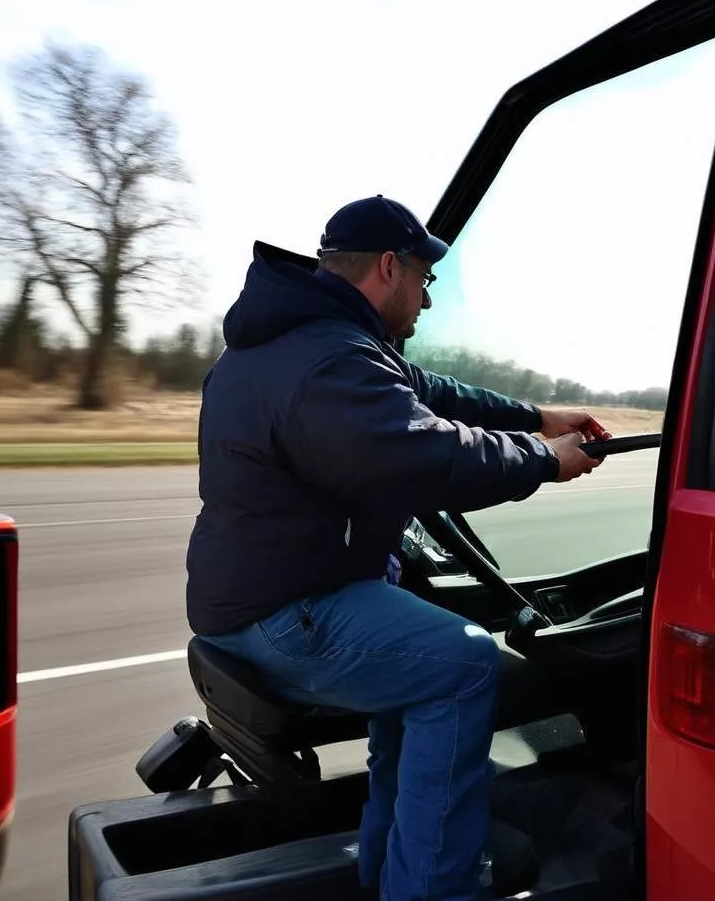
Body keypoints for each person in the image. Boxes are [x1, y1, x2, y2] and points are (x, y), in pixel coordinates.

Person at [185, 195, 609, 901]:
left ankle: (390, 878)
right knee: (465, 662)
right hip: (287, 611)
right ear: (389, 267)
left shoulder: (311, 339)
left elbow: (430, 393)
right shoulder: (328, 360)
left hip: (264, 595)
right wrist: (542, 458)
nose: (428, 300)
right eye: (425, 279)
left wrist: (539, 417)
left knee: (415, 679)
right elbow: (422, 455)